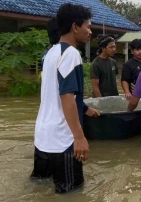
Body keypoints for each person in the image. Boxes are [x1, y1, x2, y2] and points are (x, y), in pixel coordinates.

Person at [31, 3, 100, 194]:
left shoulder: (50, 54)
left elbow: (55, 93)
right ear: (75, 27)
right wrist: (79, 137)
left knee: (38, 187)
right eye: (87, 26)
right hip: (63, 139)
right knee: (71, 193)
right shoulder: (71, 54)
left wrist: (85, 108)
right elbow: (67, 97)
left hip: (43, 136)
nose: (90, 32)